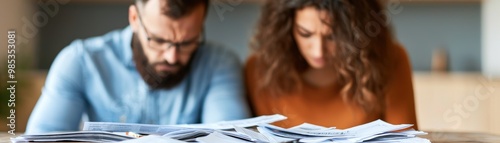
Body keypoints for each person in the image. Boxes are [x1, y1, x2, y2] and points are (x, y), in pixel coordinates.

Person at [26, 0, 250, 133]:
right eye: (159, 40)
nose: (172, 57)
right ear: (134, 18)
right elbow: (44, 137)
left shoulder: (220, 65)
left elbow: (229, 138)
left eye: (188, 42)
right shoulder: (80, 62)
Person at [245, 0, 418, 129]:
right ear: (286, 28)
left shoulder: (389, 59)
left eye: (332, 36)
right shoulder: (258, 71)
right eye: (305, 34)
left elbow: (405, 138)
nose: (318, 51)